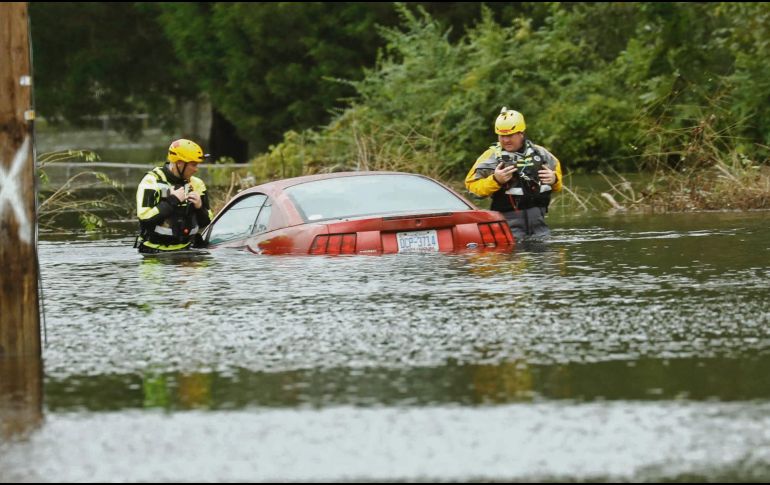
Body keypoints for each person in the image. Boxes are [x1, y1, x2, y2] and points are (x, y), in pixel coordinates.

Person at [465, 107, 563, 240]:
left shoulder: (542, 154)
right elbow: (472, 188)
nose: (505, 140)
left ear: (521, 133)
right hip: (508, 232)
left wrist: (554, 179)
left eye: (509, 135)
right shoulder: (490, 157)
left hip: (540, 231)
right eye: (501, 136)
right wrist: (496, 180)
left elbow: (558, 186)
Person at [135, 138, 213, 253]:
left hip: (188, 251)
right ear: (179, 163)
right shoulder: (151, 181)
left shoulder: (197, 184)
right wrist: (172, 200)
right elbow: (145, 220)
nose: (196, 169)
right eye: (193, 164)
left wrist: (200, 207)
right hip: (154, 254)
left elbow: (206, 222)